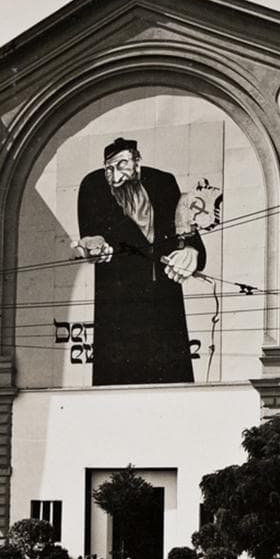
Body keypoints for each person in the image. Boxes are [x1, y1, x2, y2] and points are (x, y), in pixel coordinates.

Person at [74, 137, 206, 386]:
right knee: (119, 383)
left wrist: (191, 250)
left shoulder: (163, 182)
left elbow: (185, 229)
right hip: (120, 304)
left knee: (170, 382)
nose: (115, 174)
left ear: (137, 161)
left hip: (163, 300)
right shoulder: (93, 185)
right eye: (109, 168)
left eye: (122, 164)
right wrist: (93, 245)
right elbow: (89, 234)